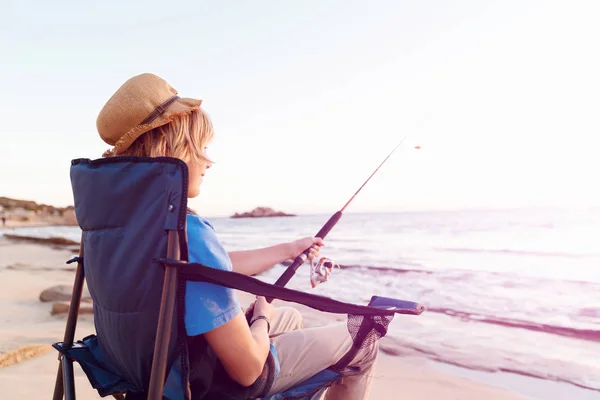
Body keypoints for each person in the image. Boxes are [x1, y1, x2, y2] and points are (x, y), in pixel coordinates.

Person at [96, 73, 378, 399]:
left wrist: (289, 249)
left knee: (291, 315)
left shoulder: (125, 229)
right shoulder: (189, 234)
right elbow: (247, 370)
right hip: (198, 385)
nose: (208, 161)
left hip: (152, 377)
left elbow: (197, 270)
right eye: (200, 147)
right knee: (364, 340)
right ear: (172, 150)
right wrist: (261, 318)